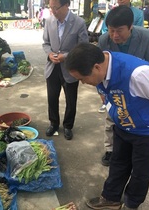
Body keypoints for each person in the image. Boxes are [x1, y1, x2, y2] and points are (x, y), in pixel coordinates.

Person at [65, 42, 149, 210]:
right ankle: (111, 198)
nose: (83, 83)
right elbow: (109, 97)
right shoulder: (102, 70)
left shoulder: (137, 74)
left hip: (146, 132)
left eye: (82, 79)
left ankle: (131, 205)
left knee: (140, 172)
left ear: (96, 67)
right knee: (118, 162)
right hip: (122, 126)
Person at [98, 5, 149, 166]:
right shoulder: (104, 40)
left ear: (131, 26)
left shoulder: (145, 36)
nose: (115, 35)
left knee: (136, 120)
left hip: (138, 89)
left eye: (119, 30)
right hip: (114, 88)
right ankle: (110, 150)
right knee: (112, 119)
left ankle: (131, 150)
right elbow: (98, 69)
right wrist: (101, 91)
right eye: (111, 30)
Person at [42, 0, 89, 140]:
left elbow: (83, 47)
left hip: (71, 69)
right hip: (52, 67)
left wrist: (66, 56)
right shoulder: (49, 21)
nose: (53, 11)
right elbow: (46, 43)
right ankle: (54, 123)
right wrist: (50, 54)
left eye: (56, 8)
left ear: (66, 5)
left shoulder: (78, 23)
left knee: (71, 99)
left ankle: (68, 126)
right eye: (51, 8)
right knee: (52, 98)